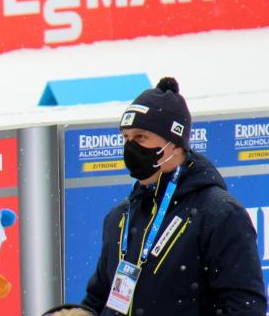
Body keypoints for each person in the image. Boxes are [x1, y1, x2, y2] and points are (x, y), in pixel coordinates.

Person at [80, 77, 266, 316]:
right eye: (126, 138)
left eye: (141, 137)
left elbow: (244, 308)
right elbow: (98, 300)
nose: (130, 147)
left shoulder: (220, 215)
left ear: (175, 144)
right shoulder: (120, 218)